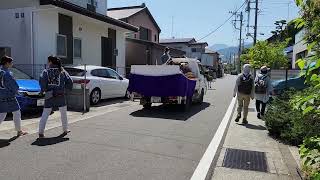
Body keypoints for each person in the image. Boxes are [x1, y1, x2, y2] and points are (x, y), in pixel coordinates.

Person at [38, 56, 73, 138]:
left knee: (45, 114)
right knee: (63, 114)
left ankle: (41, 132)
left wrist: (43, 90)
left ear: (50, 62)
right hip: (60, 95)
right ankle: (65, 130)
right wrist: (66, 89)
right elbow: (70, 81)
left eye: (48, 61)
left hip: (49, 95)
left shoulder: (45, 71)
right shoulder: (62, 71)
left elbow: (42, 81)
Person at [0, 56, 28, 136]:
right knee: (16, 112)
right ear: (7, 63)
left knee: (2, 114)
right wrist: (16, 91)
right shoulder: (7, 73)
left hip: (1, 96)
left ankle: (19, 131)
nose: (12, 64)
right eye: (11, 63)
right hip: (9, 97)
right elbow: (14, 86)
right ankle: (19, 131)